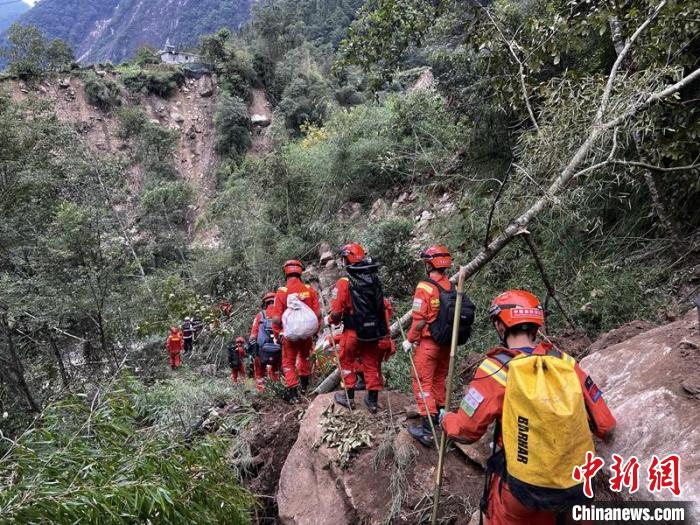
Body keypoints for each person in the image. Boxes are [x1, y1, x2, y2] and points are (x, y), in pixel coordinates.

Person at [441, 290, 617, 525]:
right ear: (536, 325)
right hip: (577, 487)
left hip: (522, 491)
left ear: (501, 326)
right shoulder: (565, 363)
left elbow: (464, 430)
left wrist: (445, 419)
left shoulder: (496, 369)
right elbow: (605, 423)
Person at [329, 243, 391, 414]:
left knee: (346, 360)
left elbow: (337, 313)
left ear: (347, 259)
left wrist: (331, 320)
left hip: (352, 332)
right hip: (373, 332)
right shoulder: (373, 279)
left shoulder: (344, 282)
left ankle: (348, 397)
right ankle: (372, 401)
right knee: (371, 363)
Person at [403, 245, 455, 446]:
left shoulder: (424, 287)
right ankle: (441, 419)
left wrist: (409, 339)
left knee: (421, 381)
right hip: (446, 343)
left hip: (428, 343)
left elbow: (420, 320)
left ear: (429, 264)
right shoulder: (451, 286)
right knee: (439, 380)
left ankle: (427, 430)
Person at [272, 260, 321, 404]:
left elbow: (275, 319)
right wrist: (315, 331)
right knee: (305, 358)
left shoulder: (282, 292)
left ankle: (294, 395)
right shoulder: (309, 290)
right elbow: (317, 314)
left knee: (288, 363)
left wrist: (277, 334)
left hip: (289, 336)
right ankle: (305, 388)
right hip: (306, 335)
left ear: (285, 273)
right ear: (300, 272)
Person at [250, 291, 281, 391]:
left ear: (265, 303)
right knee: (276, 370)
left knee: (260, 372)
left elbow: (253, 336)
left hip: (262, 350)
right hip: (278, 349)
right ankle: (276, 389)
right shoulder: (281, 314)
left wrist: (252, 349)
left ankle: (261, 390)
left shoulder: (260, 315)